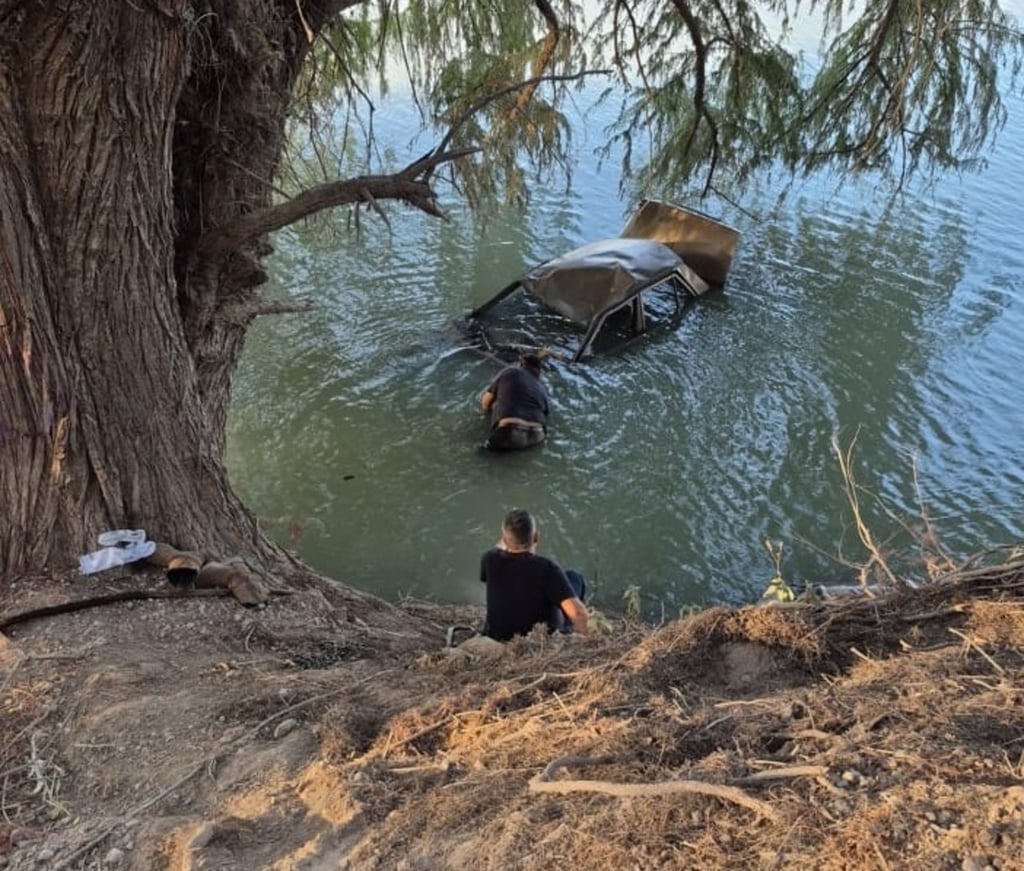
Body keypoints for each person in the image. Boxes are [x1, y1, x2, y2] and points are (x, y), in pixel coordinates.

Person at [479, 508, 589, 641]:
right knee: (573, 576)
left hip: (497, 636)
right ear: (536, 537)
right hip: (540, 640)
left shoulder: (489, 558)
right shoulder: (547, 568)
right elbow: (578, 614)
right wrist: (585, 638)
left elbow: (498, 550)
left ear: (504, 538)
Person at [479, 353, 549, 451]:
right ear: (539, 371)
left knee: (483, 456)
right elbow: (545, 415)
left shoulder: (510, 371)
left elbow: (485, 402)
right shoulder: (542, 388)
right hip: (538, 436)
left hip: (509, 430)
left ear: (521, 364)